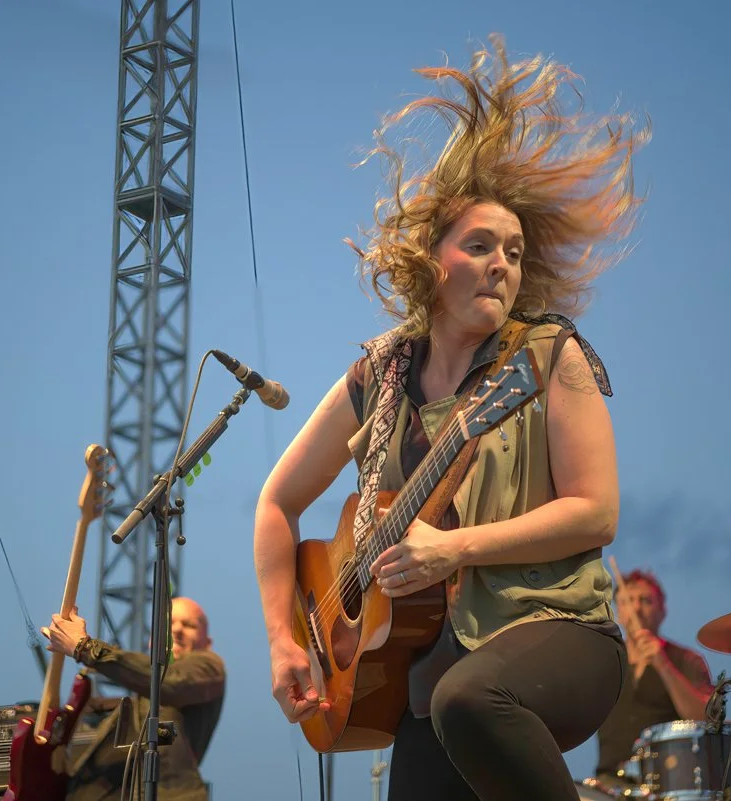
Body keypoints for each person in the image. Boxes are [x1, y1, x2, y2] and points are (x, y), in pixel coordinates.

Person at [253, 35, 650, 801]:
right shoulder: (380, 375)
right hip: (426, 666)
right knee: (445, 706)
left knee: (469, 699)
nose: (502, 262)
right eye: (480, 245)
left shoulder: (545, 358)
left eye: (513, 250)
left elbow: (597, 512)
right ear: (429, 261)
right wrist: (283, 639)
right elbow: (277, 504)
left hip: (557, 630)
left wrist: (455, 547)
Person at [41, 597, 225, 801]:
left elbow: (171, 682)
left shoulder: (209, 666)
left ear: (207, 642)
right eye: (169, 623)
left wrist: (85, 648)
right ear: (151, 641)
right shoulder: (139, 701)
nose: (177, 629)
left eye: (190, 625)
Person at [594, 569, 715, 789]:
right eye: (629, 600)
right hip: (609, 783)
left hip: (669, 781)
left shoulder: (687, 659)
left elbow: (705, 720)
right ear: (618, 611)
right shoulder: (604, 662)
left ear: (662, 610)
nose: (637, 608)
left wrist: (663, 665)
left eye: (646, 600)